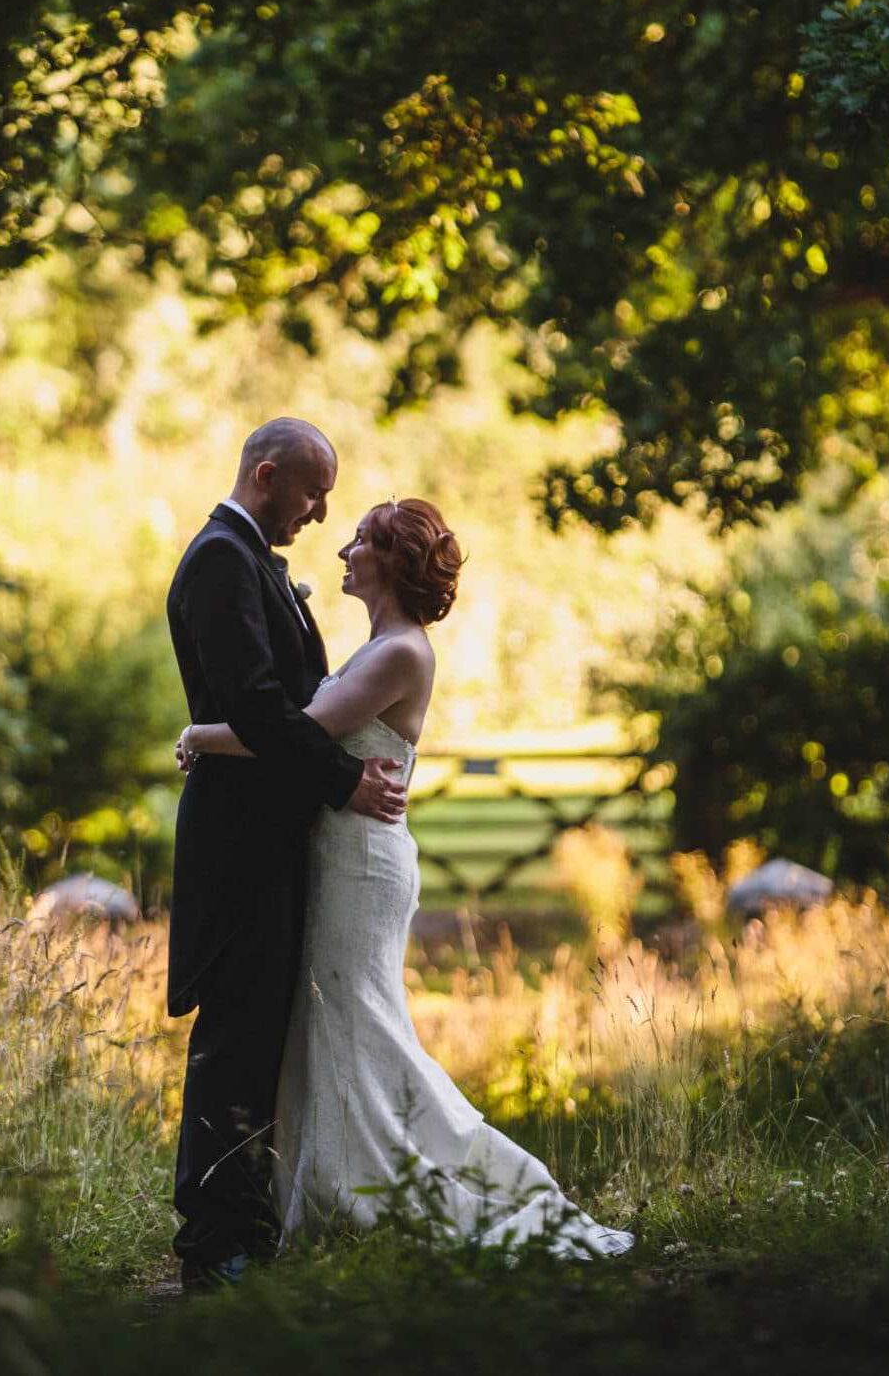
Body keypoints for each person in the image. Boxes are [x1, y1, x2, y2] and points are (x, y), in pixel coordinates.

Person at [177, 497, 635, 1261]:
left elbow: (302, 734)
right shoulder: (378, 645)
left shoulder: (399, 653)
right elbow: (300, 725)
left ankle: (426, 1187)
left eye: (358, 539)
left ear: (391, 559)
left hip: (361, 863)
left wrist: (201, 736)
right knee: (332, 1025)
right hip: (337, 854)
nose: (342, 550)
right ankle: (333, 1191)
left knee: (361, 1021)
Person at [164, 419, 409, 1292]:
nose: (320, 513)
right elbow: (265, 710)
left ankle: (247, 1227)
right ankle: (213, 1246)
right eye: (312, 493)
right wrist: (343, 781)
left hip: (267, 839)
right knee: (232, 1042)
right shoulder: (221, 561)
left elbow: (285, 704)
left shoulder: (245, 557)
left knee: (258, 1037)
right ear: (267, 475)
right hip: (238, 845)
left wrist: (208, 734)